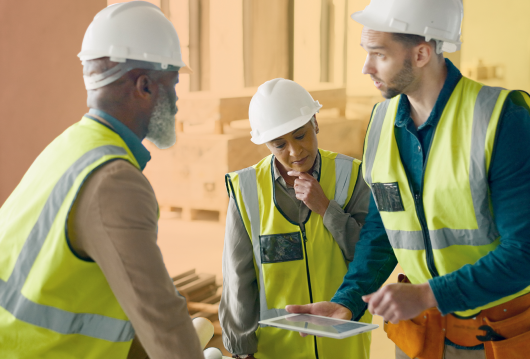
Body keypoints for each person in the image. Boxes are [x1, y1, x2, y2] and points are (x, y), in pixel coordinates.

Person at [286, 0, 530, 358]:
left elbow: (523, 253)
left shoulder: (501, 118)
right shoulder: (382, 121)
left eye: (379, 54)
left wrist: (428, 294)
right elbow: (382, 226)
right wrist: (348, 300)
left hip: (495, 334)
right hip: (424, 334)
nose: (366, 67)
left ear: (420, 54)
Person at [0, 2, 204, 358]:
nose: (176, 100)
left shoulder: (70, 145)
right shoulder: (115, 182)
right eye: (173, 84)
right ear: (145, 86)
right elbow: (161, 320)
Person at [219, 78, 372, 359]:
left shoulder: (352, 176)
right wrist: (241, 348)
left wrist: (326, 208)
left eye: (301, 136)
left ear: (315, 122)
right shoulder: (246, 190)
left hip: (342, 348)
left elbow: (368, 256)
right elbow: (238, 277)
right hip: (277, 350)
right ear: (266, 143)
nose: (294, 151)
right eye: (279, 144)